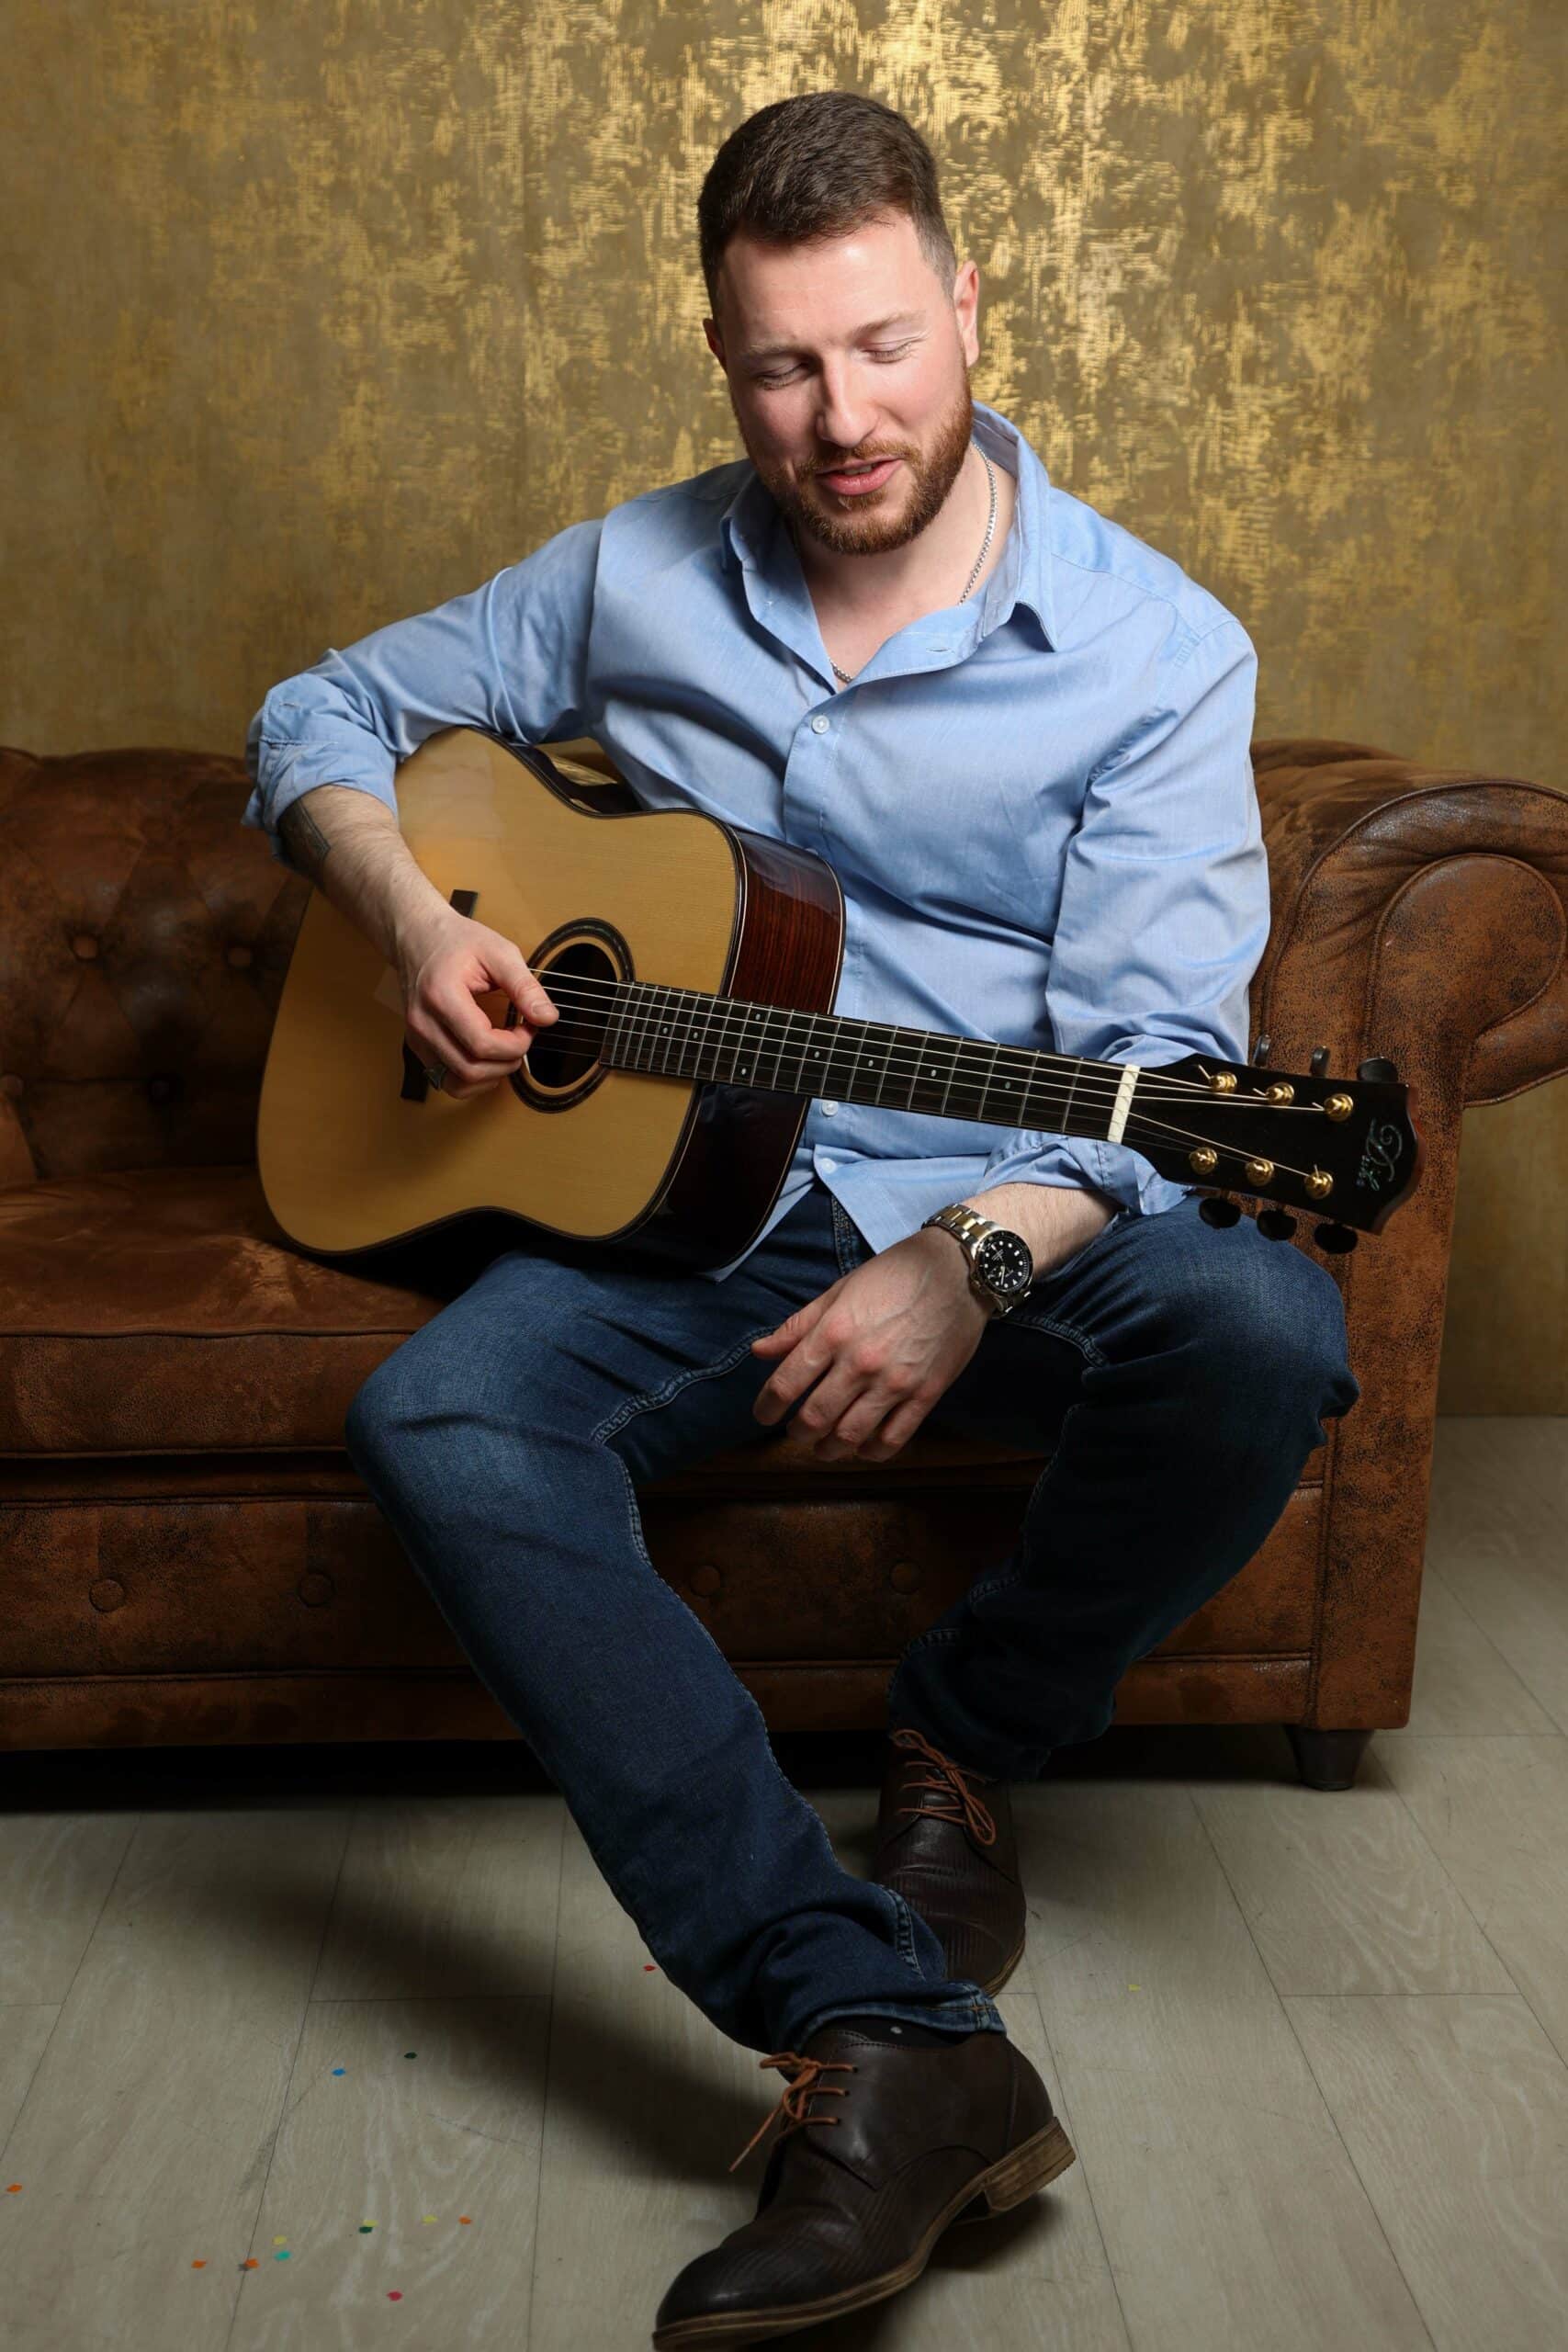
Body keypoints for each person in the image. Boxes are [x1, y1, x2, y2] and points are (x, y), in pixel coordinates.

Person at [243, 88, 1360, 2351]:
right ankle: (878, 2027)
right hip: (693, 1193)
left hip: (1016, 1191)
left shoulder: (1153, 647)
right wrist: (405, 915)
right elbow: (319, 709)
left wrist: (964, 1262)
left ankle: (966, 1726)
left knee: (1264, 1330)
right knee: (438, 1416)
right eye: (779, 365)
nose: (839, 418)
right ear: (718, 356)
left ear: (965, 310)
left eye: (879, 347)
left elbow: (1154, 1060)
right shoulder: (629, 573)